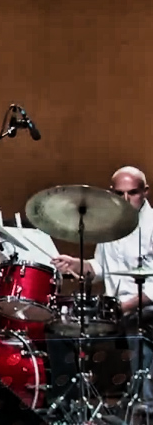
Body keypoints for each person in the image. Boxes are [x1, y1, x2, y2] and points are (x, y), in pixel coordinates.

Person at [52, 166, 153, 402]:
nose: (126, 199)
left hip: (144, 307)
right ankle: (69, 403)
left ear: (145, 192)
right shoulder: (110, 225)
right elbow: (101, 267)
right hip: (117, 309)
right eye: (119, 194)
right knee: (61, 331)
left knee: (142, 323)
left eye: (133, 193)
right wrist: (77, 264)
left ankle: (145, 405)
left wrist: (125, 307)